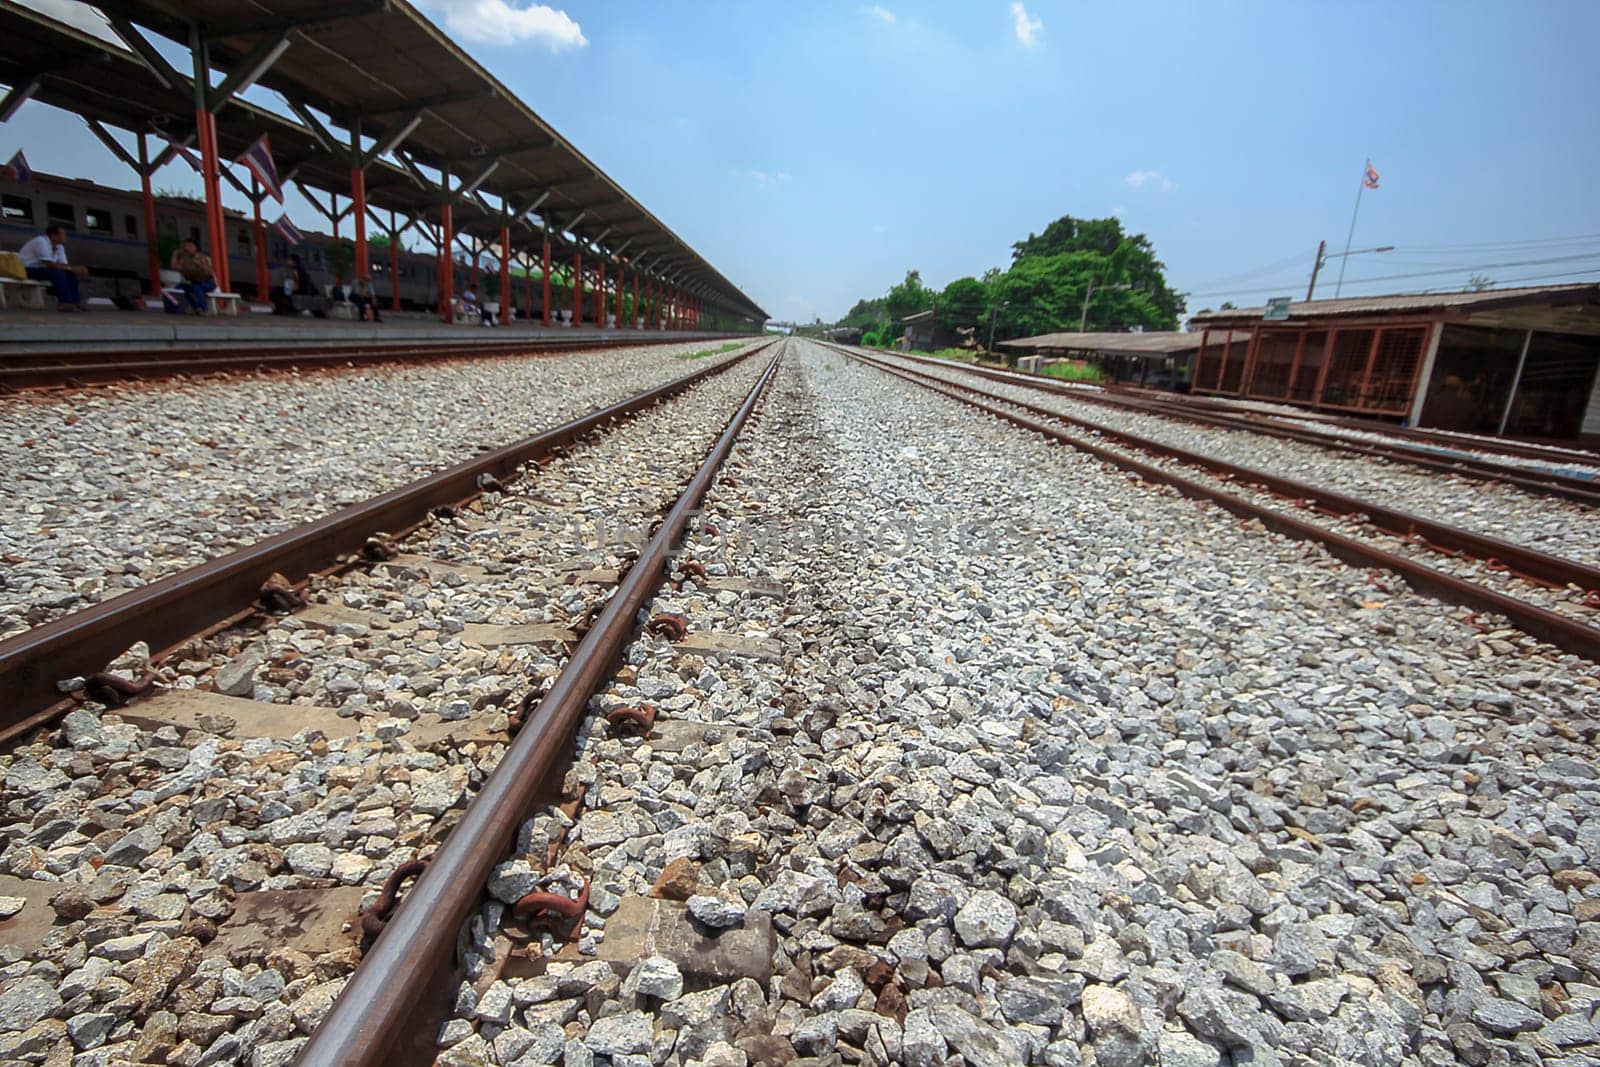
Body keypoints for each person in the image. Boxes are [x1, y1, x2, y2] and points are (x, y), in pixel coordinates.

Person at [18, 225, 87, 311]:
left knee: (69, 274)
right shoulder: (41, 241)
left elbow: (64, 265)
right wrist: (73, 268)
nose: (66, 237)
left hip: (43, 270)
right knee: (57, 272)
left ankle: (75, 302)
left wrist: (72, 270)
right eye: (63, 235)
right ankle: (65, 302)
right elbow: (49, 264)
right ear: (54, 236)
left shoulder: (59, 247)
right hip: (26, 269)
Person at [169, 237, 216, 314]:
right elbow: (174, 266)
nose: (187, 248)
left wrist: (199, 264)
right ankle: (196, 308)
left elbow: (209, 271)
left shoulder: (203, 257)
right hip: (194, 282)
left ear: (196, 247)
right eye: (186, 246)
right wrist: (175, 254)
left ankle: (205, 309)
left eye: (190, 246)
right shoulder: (185, 259)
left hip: (208, 283)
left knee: (196, 287)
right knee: (180, 287)